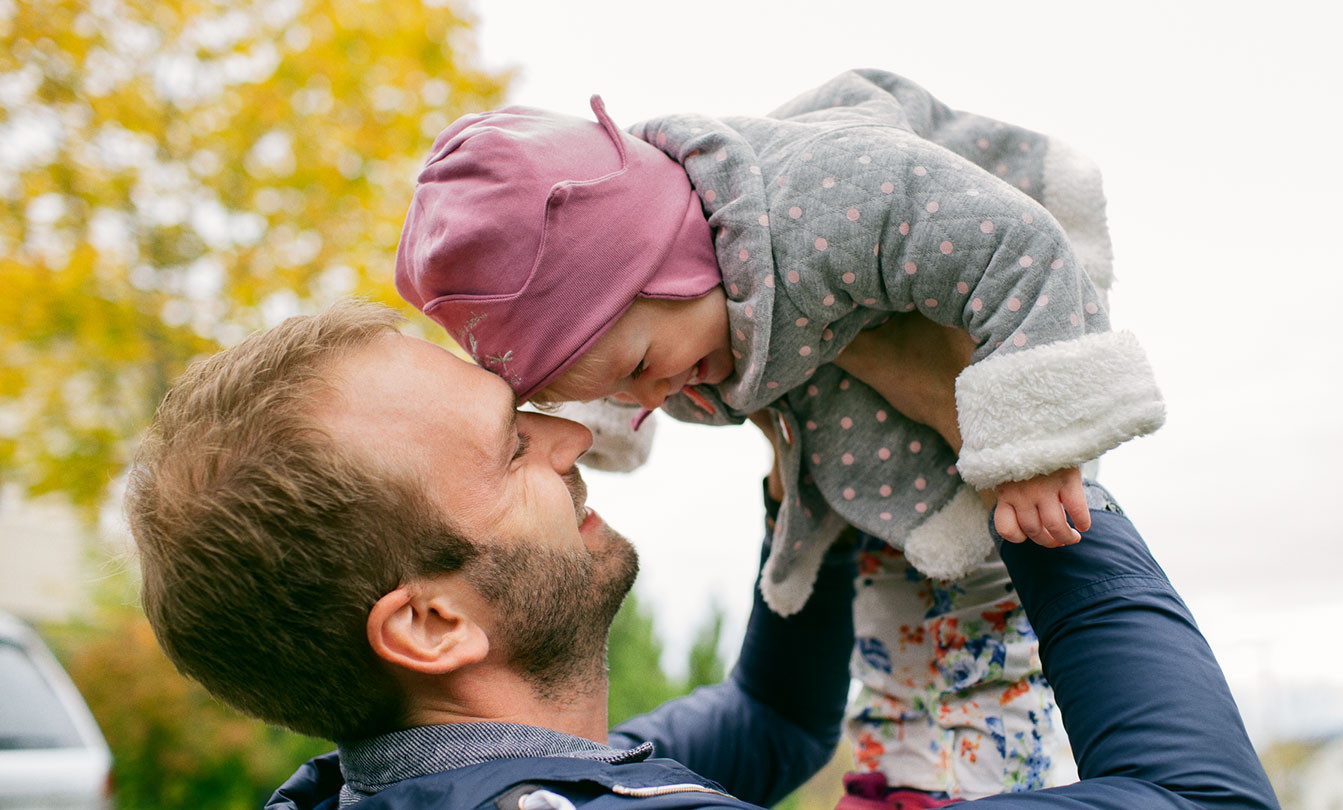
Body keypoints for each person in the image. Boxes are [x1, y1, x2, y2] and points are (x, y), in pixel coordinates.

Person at [124, 300, 1278, 810]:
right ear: (430, 624)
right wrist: (1017, 435)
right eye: (512, 445)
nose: (576, 435)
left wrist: (805, 493)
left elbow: (768, 730)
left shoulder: (393, 784)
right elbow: (1199, 802)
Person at [392, 69, 1166, 796]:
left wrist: (1036, 443)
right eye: (613, 395)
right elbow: (607, 343)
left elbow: (1017, 247)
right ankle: (901, 785)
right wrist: (603, 409)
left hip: (1004, 348)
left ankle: (991, 780)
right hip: (861, 447)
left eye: (639, 364)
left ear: (672, 254)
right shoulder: (675, 331)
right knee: (894, 627)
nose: (653, 394)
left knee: (985, 623)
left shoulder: (828, 201)